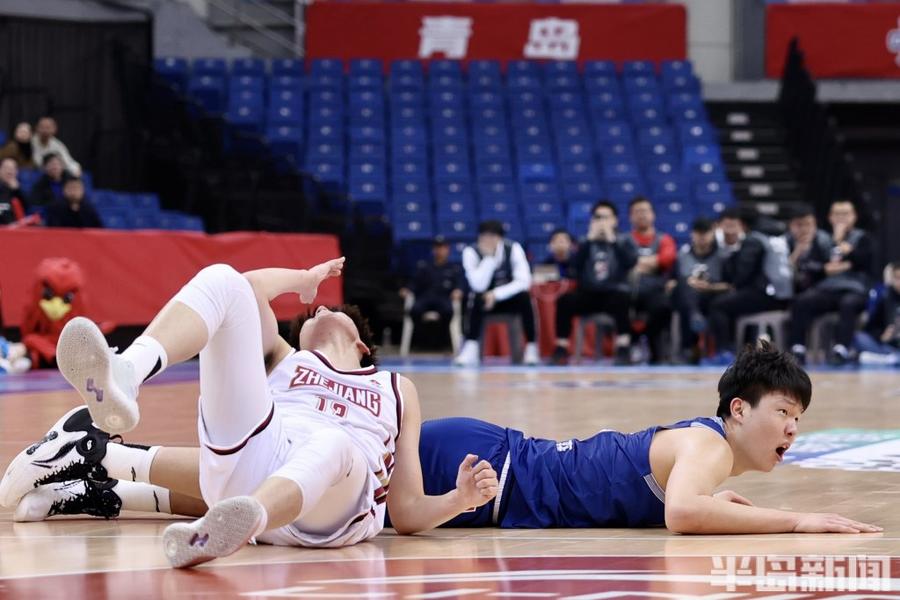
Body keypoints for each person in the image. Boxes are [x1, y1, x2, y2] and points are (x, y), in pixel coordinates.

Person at [11, 343, 882, 535]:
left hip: (489, 472)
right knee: (306, 485)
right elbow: (685, 515)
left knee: (300, 499)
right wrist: (805, 525)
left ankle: (102, 482)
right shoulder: (706, 448)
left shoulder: (706, 448)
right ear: (736, 411)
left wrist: (728, 496)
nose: (793, 430)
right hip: (481, 467)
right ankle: (105, 452)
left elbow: (683, 496)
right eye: (784, 413)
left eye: (799, 417)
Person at [0, 259, 498, 567]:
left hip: (334, 507)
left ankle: (240, 522)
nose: (318, 310)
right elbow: (245, 288)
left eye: (329, 310)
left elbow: (406, 511)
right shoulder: (287, 359)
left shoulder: (395, 387)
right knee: (221, 280)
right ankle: (126, 374)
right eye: (310, 312)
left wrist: (457, 499)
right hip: (254, 465)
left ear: (363, 344)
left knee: (334, 443)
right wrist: (301, 279)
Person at [550, 201, 637, 365]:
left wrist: (612, 240)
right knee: (565, 300)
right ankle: (561, 348)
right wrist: (589, 241)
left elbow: (630, 262)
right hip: (588, 293)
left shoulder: (624, 240)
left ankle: (623, 349)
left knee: (623, 298)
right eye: (598, 217)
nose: (602, 221)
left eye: (606, 217)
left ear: (615, 220)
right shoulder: (585, 242)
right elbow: (573, 268)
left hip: (614, 293)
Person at [788, 200, 873, 366]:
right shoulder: (821, 238)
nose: (841, 218)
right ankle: (798, 349)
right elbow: (814, 266)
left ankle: (841, 350)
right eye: (837, 214)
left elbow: (864, 262)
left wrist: (841, 244)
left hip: (855, 290)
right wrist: (837, 265)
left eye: (845, 214)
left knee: (848, 304)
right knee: (802, 301)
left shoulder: (863, 238)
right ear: (830, 217)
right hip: (827, 289)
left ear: (854, 216)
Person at [706, 209, 793, 364]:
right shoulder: (773, 237)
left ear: (743, 225)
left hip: (767, 295)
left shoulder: (753, 240)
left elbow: (742, 275)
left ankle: (724, 351)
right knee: (730, 302)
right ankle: (738, 349)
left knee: (718, 305)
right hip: (780, 293)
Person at [454, 220, 539, 366]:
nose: (487, 240)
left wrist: (496, 294)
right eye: (484, 236)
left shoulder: (513, 248)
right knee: (474, 298)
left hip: (508, 300)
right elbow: (477, 285)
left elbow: (524, 281)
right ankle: (471, 346)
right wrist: (489, 259)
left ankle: (531, 348)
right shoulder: (470, 252)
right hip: (483, 304)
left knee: (525, 297)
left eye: (492, 236)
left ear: (500, 237)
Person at [670, 217, 731, 364]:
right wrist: (678, 284)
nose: (702, 237)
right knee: (684, 287)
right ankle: (689, 345)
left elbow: (730, 285)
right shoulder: (682, 255)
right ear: (692, 234)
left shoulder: (723, 256)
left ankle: (695, 348)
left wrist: (709, 287)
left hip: (712, 297)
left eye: (706, 233)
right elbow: (672, 280)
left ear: (712, 233)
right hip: (687, 297)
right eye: (698, 233)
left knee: (704, 304)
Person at [627, 197, 676, 364]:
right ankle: (630, 346)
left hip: (656, 290)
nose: (642, 215)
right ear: (630, 217)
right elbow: (622, 263)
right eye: (637, 212)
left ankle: (653, 346)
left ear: (653, 215)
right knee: (619, 303)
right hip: (630, 289)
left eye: (645, 211)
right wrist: (653, 262)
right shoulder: (624, 240)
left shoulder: (664, 239)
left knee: (662, 306)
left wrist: (637, 263)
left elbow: (667, 260)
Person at [399, 236, 464, 325]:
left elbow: (459, 284)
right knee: (414, 310)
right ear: (433, 250)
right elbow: (414, 283)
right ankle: (419, 337)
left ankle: (444, 338)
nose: (439, 251)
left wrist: (458, 291)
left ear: (448, 249)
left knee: (448, 311)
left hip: (444, 298)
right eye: (437, 247)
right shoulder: (424, 266)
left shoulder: (454, 268)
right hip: (426, 297)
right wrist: (407, 289)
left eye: (442, 247)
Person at [854, 262, 900, 366]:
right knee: (859, 338)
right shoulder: (884, 297)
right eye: (897, 278)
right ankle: (889, 359)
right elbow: (871, 326)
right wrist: (882, 336)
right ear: (892, 279)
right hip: (886, 345)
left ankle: (885, 359)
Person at [786, 204, 831, 294]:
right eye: (799, 225)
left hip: (820, 286)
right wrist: (797, 252)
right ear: (790, 226)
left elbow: (831, 268)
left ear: (815, 224)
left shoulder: (824, 240)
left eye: (808, 224)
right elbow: (781, 271)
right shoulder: (784, 241)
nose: (804, 229)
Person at [0, 157, 28, 225]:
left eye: (12, 169)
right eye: (6, 168)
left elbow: (27, 208)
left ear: (17, 172)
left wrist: (17, 190)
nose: (9, 172)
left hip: (17, 230)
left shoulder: (20, 190)